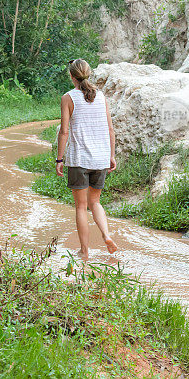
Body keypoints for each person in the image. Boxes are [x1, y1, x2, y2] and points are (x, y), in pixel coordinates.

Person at [55, 59, 118, 261]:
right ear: (88, 74)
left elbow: (64, 132)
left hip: (79, 160)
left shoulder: (68, 98)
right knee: (96, 202)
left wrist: (59, 159)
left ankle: (84, 251)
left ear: (71, 76)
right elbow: (110, 129)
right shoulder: (101, 96)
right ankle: (106, 235)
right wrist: (111, 155)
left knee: (81, 207)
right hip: (100, 159)